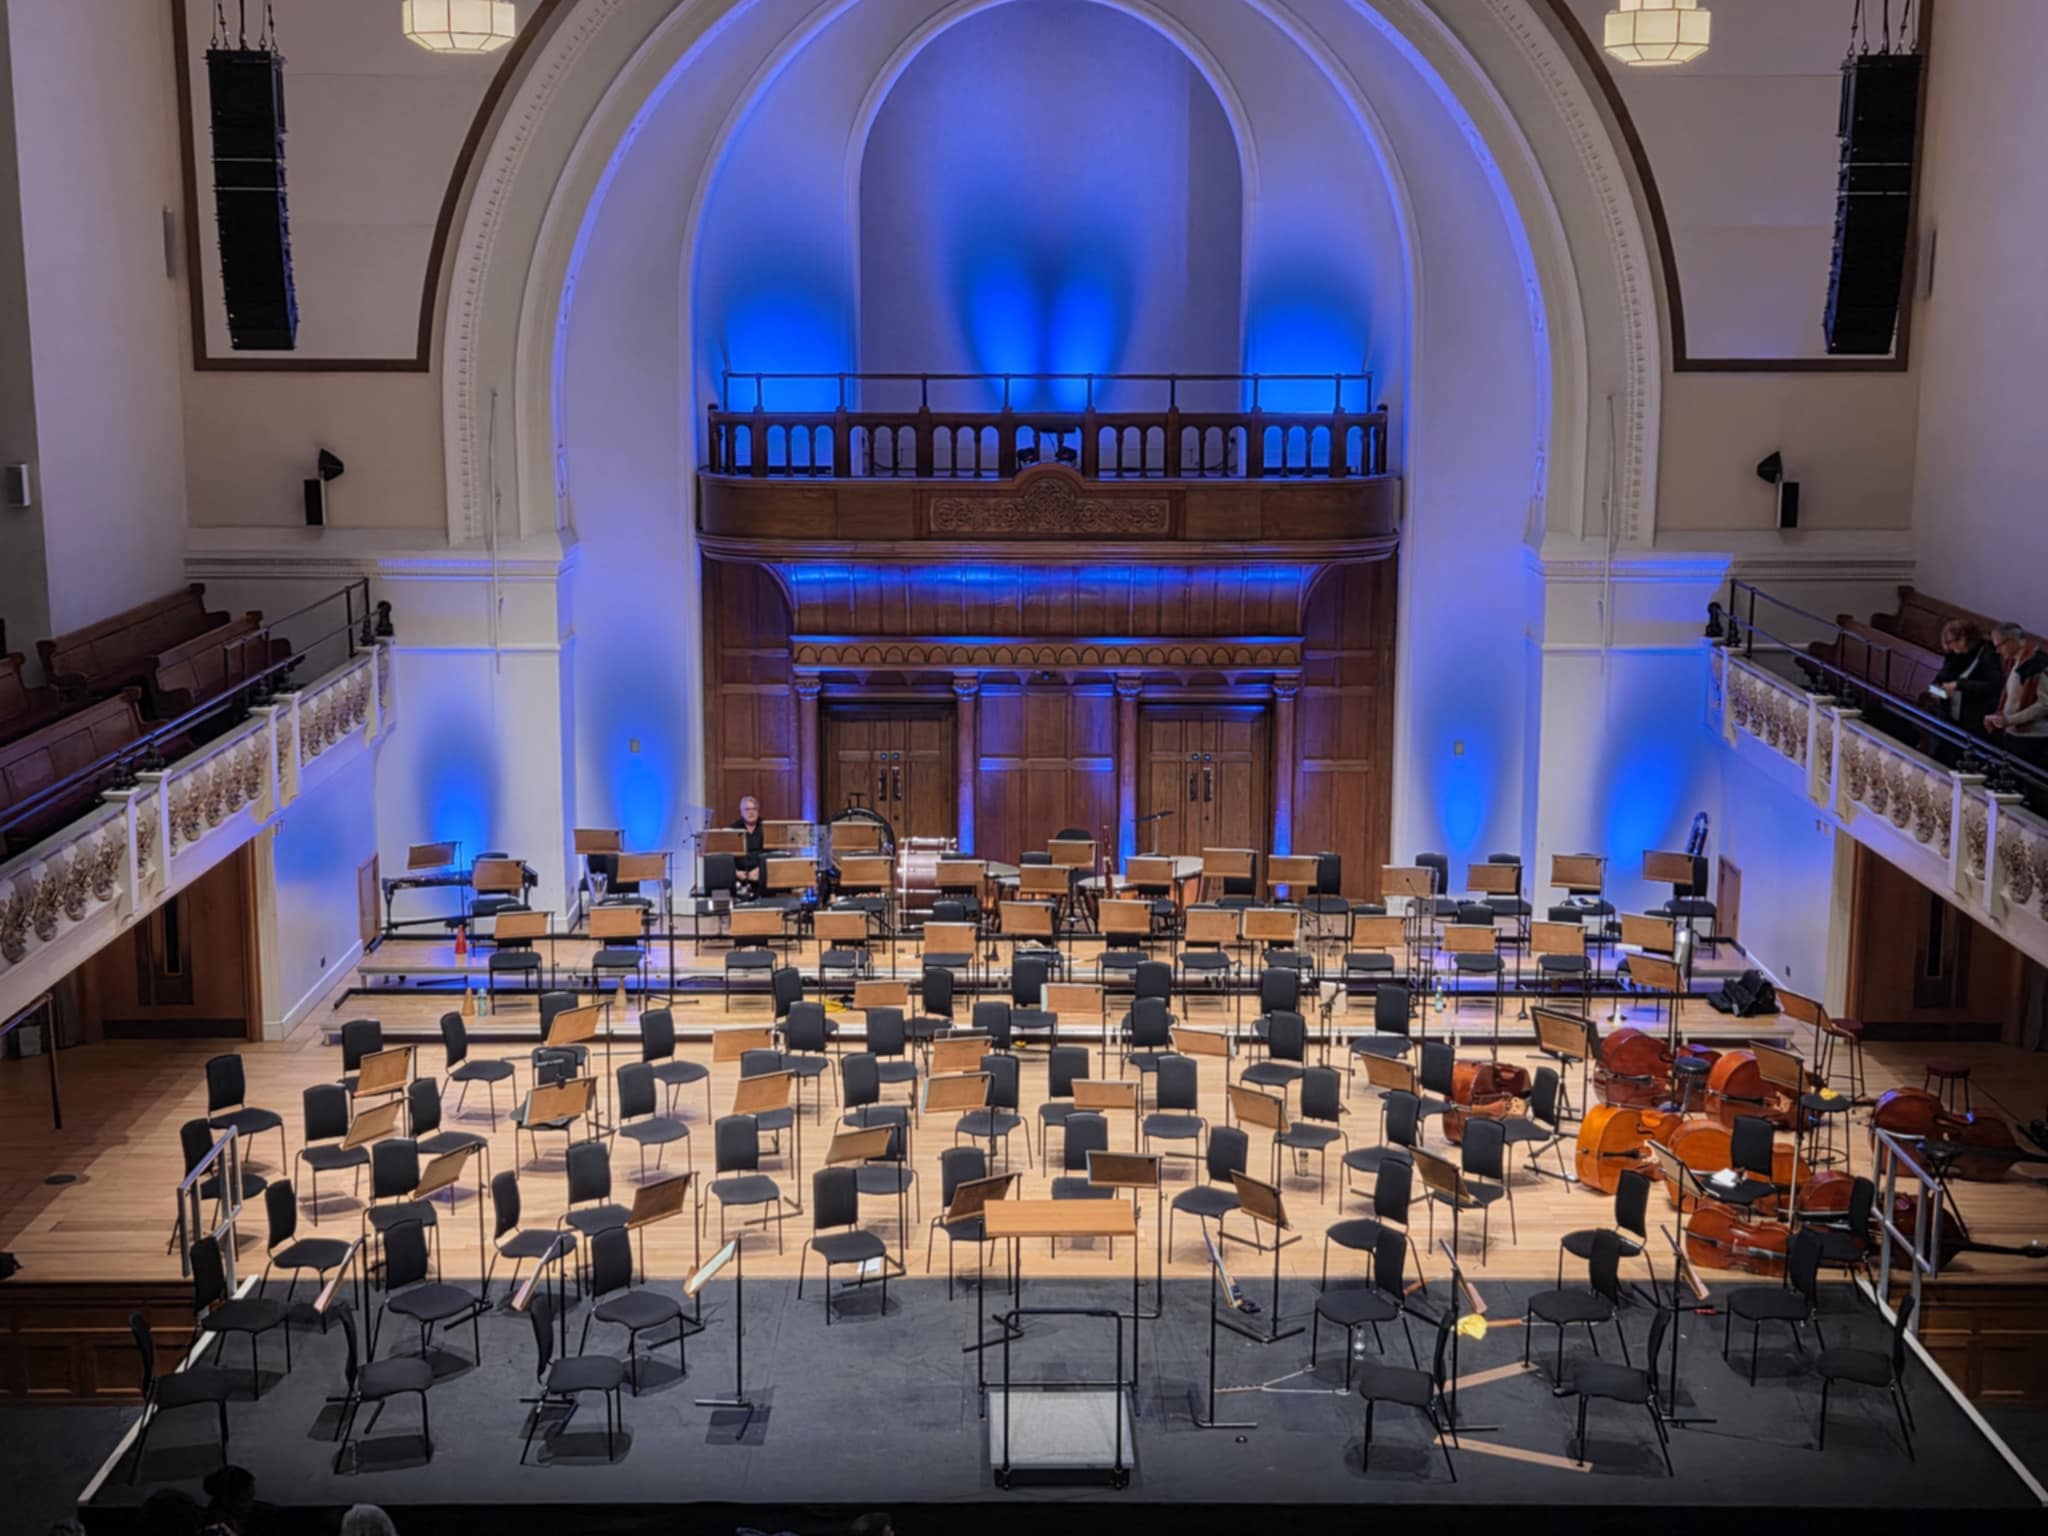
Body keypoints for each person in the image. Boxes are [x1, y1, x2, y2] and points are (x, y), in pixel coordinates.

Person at [1986, 621, 2048, 765]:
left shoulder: (2038, 663)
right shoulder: (2016, 661)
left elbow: (2044, 704)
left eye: (1999, 646)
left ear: (2012, 641)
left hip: (2032, 739)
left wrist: (2010, 720)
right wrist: (2001, 717)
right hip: (2014, 733)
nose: (1998, 651)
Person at [1930, 619, 2001, 735]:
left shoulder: (1987, 653)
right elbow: (1937, 682)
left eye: (1950, 641)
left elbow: (1994, 686)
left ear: (1963, 638)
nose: (1949, 646)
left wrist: (1959, 686)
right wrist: (1938, 692)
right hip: (1947, 716)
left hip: (1972, 722)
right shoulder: (1953, 654)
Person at [730, 794, 767, 895]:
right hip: (739, 877)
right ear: (741, 812)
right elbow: (726, 857)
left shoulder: (766, 827)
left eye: (754, 809)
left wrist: (762, 870)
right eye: (747, 809)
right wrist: (736, 873)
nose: (751, 812)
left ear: (758, 811)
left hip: (762, 876)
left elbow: (773, 855)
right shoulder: (733, 829)